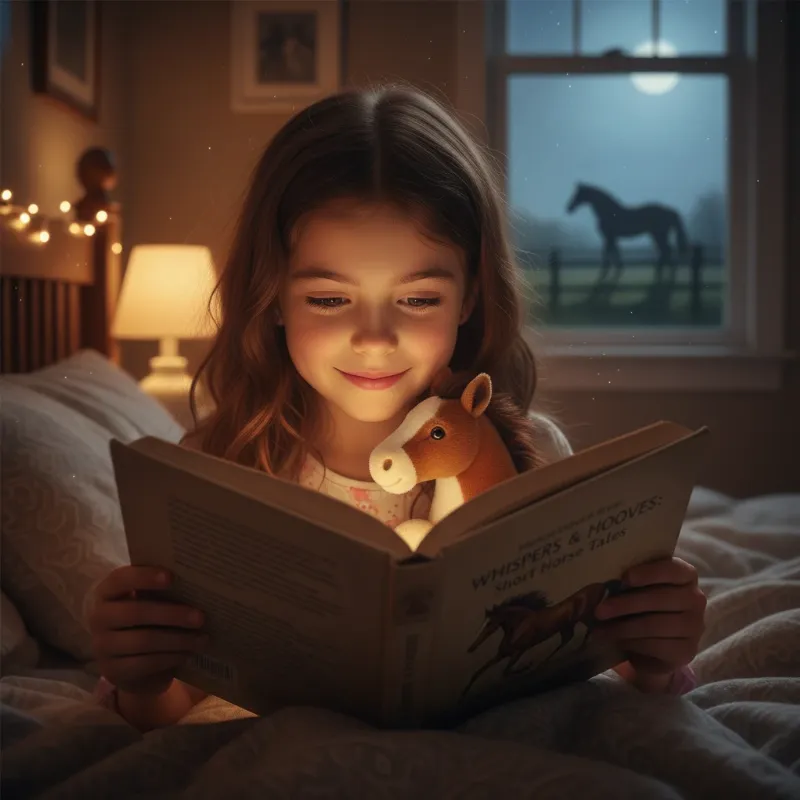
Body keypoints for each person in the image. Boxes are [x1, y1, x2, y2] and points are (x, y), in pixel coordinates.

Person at [88, 84, 706, 732]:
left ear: (470, 297)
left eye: (416, 300)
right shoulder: (220, 470)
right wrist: (139, 677)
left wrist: (656, 657)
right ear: (272, 296)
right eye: (329, 300)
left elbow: (605, 663)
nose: (375, 338)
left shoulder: (536, 460)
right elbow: (166, 709)